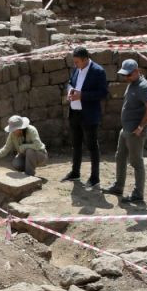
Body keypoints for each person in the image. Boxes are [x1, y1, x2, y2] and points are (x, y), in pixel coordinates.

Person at [103, 59, 147, 204]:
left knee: (136, 162)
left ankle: (138, 194)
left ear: (136, 71)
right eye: (124, 75)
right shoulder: (133, 83)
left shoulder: (144, 87)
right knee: (120, 157)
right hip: (126, 130)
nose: (126, 78)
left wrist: (141, 127)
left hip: (135, 132)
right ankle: (118, 186)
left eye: (128, 75)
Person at [63, 46, 109, 186]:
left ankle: (94, 178)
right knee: (76, 144)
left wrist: (82, 96)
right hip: (75, 112)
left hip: (89, 115)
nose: (75, 65)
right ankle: (75, 172)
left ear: (85, 59)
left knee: (92, 146)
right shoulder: (76, 68)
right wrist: (70, 90)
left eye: (77, 62)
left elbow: (103, 93)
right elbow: (71, 82)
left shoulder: (98, 71)